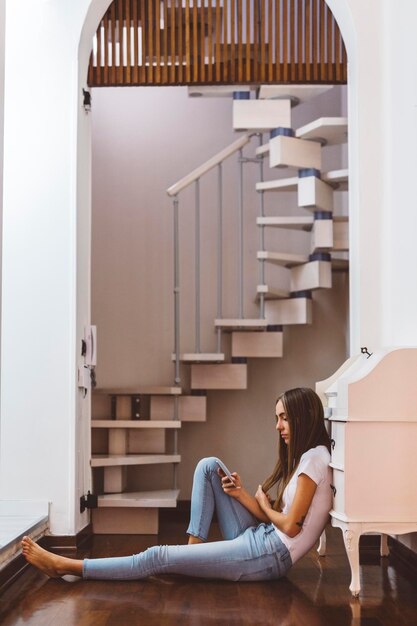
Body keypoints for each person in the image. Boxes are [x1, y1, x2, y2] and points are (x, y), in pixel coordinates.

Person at [22, 387, 332, 582]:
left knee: (156, 556)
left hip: (267, 555)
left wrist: (263, 503)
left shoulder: (314, 460)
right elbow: (281, 522)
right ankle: (190, 556)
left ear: (303, 417)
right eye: (277, 418)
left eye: (284, 419)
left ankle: (67, 565)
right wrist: (241, 495)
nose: (277, 426)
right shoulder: (311, 457)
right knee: (209, 466)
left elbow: (291, 527)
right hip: (263, 539)